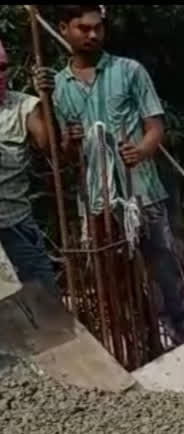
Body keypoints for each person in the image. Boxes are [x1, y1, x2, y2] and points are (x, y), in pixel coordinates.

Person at [33, 4, 184, 346]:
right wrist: (68, 139)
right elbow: (61, 155)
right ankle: (142, 342)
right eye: (83, 28)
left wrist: (141, 150)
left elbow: (155, 126)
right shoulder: (58, 87)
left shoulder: (129, 71)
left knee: (164, 268)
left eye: (98, 28)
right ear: (64, 29)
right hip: (95, 201)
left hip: (143, 192)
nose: (92, 34)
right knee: (114, 277)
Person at [0, 38, 60, 297]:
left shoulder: (25, 106)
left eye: (2, 67)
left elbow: (51, 147)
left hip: (15, 224)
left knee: (47, 305)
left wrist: (47, 99)